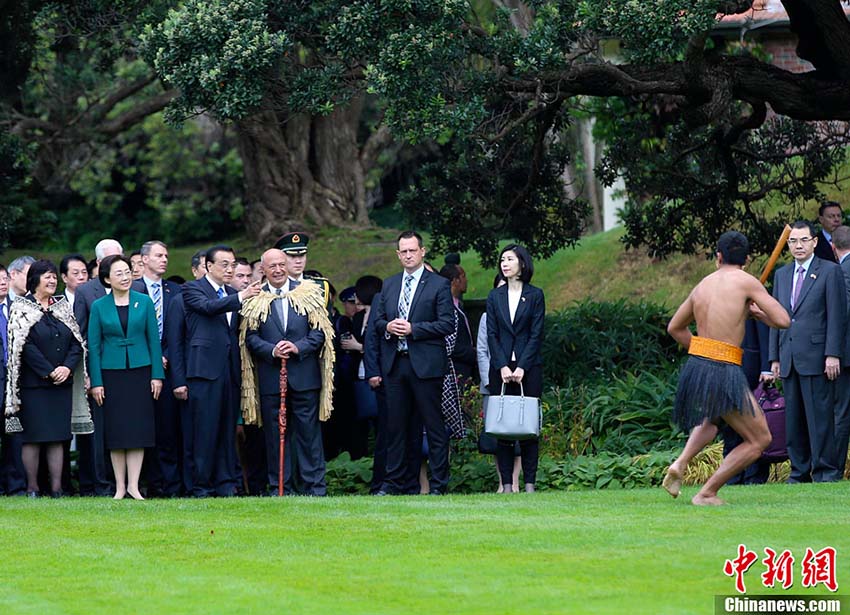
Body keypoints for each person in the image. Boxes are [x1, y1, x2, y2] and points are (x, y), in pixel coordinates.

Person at [664, 231, 791, 505]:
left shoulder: (703, 285)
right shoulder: (747, 282)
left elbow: (675, 327)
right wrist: (758, 314)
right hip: (724, 368)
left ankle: (680, 462)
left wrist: (703, 349)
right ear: (747, 259)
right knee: (760, 439)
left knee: (712, 421)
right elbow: (783, 320)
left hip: (698, 367)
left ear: (718, 256)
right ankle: (707, 492)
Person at [242, 239, 335, 496]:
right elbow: (250, 337)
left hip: (304, 375)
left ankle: (314, 488)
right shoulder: (254, 297)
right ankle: (280, 487)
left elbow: (320, 332)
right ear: (263, 269)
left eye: (282, 264)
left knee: (309, 435)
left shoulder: (309, 292)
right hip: (271, 377)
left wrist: (298, 347)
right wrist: (272, 350)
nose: (278, 270)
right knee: (275, 437)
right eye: (272, 266)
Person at [372, 231, 455, 495]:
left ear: (422, 251)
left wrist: (413, 329)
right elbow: (377, 321)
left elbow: (447, 324)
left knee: (433, 426)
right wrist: (388, 326)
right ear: (398, 254)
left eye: (412, 250)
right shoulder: (389, 284)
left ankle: (438, 485)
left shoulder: (439, 284)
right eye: (403, 251)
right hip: (396, 364)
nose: (408, 255)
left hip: (426, 365)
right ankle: (393, 483)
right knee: (395, 427)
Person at [4, 260, 91, 497]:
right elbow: (23, 345)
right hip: (34, 386)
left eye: (54, 277)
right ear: (35, 280)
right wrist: (49, 370)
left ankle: (57, 489)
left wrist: (66, 368)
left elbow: (77, 342)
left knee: (58, 437)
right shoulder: (21, 308)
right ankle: (32, 488)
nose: (52, 281)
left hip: (61, 385)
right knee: (32, 437)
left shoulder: (62, 306)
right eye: (47, 277)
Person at [769, 221, 846, 483]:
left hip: (817, 356)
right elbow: (776, 317)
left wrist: (833, 353)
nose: (798, 245)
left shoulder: (829, 271)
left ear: (814, 242)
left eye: (803, 240)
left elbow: (837, 315)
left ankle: (826, 471)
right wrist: (774, 357)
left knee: (820, 419)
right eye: (793, 241)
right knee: (793, 420)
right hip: (789, 356)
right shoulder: (781, 274)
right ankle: (798, 472)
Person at [183, 245, 260, 497]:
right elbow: (208, 307)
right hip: (204, 371)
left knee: (228, 430)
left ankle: (226, 483)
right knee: (205, 430)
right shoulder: (193, 289)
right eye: (224, 264)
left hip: (230, 370)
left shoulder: (232, 293)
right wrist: (241, 296)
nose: (230, 269)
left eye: (232, 264)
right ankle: (201, 485)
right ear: (208, 266)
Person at [88, 255, 164, 500]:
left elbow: (154, 341)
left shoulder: (144, 301)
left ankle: (134, 485)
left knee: (138, 430)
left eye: (127, 272)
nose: (125, 277)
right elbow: (94, 346)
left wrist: (157, 375)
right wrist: (96, 382)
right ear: (107, 279)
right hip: (111, 372)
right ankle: (120, 486)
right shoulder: (99, 306)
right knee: (116, 431)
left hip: (141, 371)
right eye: (118, 273)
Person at [486, 245, 545, 494]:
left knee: (529, 429)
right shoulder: (494, 296)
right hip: (500, 369)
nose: (504, 263)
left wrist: (522, 366)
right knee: (504, 429)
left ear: (522, 263)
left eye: (510, 259)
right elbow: (491, 333)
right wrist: (501, 365)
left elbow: (536, 334)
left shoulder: (535, 295)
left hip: (528, 368)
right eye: (502, 259)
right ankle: (507, 485)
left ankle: (529, 483)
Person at [131, 241, 184, 497]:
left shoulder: (176, 290)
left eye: (166, 255)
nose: (164, 259)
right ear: (144, 260)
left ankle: (169, 485)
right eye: (158, 255)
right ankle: (145, 482)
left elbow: (180, 330)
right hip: (139, 368)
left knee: (168, 428)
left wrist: (165, 355)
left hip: (169, 368)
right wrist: (152, 356)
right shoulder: (131, 289)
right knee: (142, 427)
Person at [74, 238, 123, 497]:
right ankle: (101, 484)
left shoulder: (135, 288)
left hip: (128, 370)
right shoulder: (86, 291)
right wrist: (87, 375)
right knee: (99, 430)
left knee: (125, 426)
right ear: (100, 262)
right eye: (112, 259)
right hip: (99, 370)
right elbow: (80, 336)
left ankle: (129, 483)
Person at [478, 273, 520, 492]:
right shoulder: (487, 317)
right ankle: (502, 482)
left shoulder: (524, 310)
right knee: (498, 433)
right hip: (494, 383)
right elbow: (482, 351)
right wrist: (489, 381)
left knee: (521, 429)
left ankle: (515, 481)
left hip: (520, 379)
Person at [824, 224, 850, 478]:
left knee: (841, 411)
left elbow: (843, 311)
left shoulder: (841, 271)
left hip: (846, 353)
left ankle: (835, 469)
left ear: (832, 247)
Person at [0, 264, 27, 496]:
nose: (2, 282)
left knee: (14, 435)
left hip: (14, 384)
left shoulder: (18, 307)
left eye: (4, 278)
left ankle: (15, 486)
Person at [440, 263, 476, 382]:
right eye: (463, 276)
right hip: (455, 370)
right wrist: (473, 354)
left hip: (466, 368)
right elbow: (450, 344)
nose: (466, 280)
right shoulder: (446, 308)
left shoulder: (458, 305)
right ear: (455, 281)